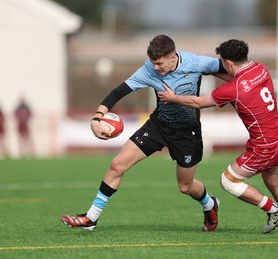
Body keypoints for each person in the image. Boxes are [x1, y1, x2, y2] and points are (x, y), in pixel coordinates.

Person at [60, 35, 231, 231]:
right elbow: (117, 92)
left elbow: (232, 72)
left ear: (173, 56)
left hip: (187, 132)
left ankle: (210, 205)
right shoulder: (149, 70)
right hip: (158, 126)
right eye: (153, 63)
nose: (155, 68)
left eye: (159, 63)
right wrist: (97, 118)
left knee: (186, 186)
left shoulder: (196, 62)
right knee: (117, 165)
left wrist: (232, 95)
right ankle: (91, 218)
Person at [158, 39, 278, 233]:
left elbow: (197, 102)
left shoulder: (233, 89)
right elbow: (237, 79)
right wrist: (207, 69)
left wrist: (173, 98)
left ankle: (273, 209)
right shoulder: (260, 68)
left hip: (266, 145)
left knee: (228, 180)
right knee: (273, 181)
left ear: (228, 63)